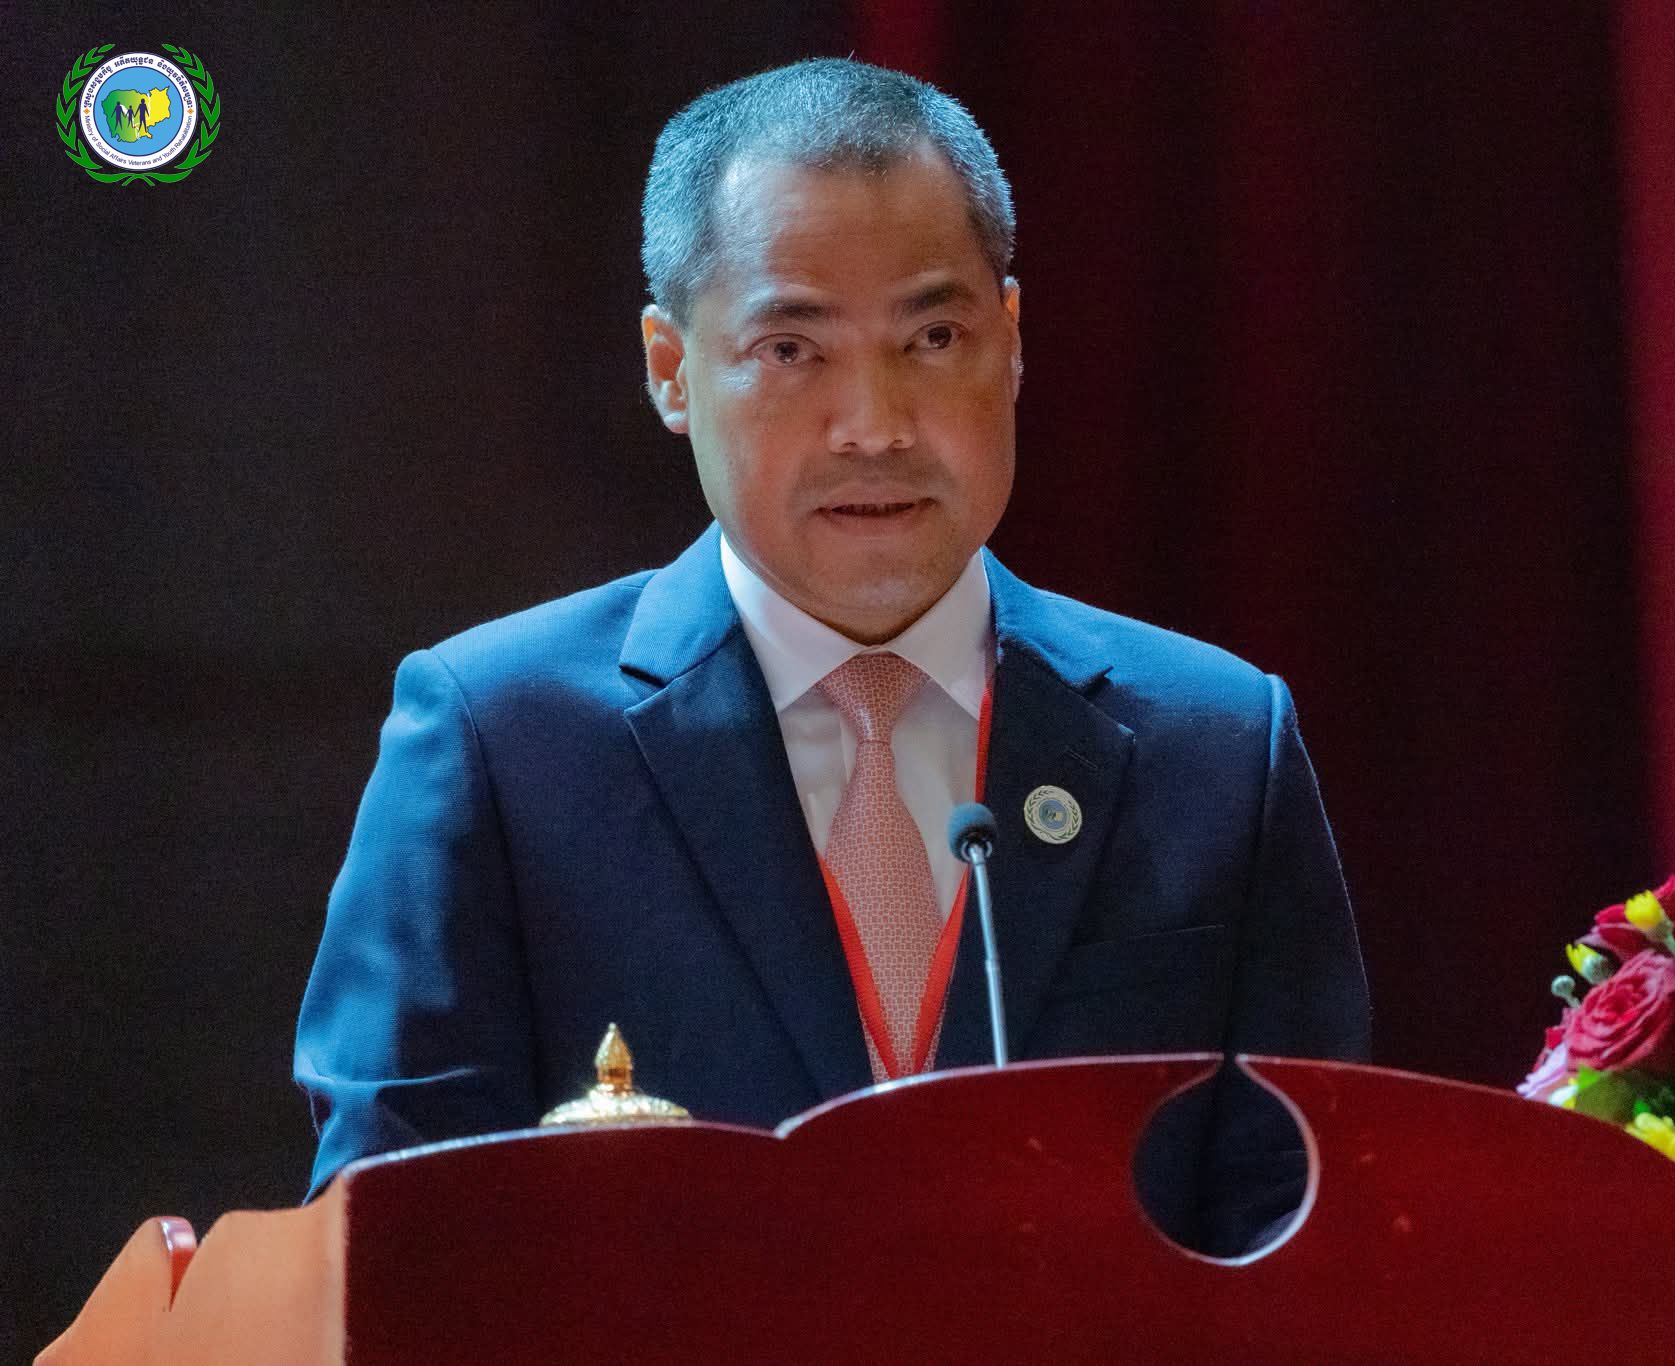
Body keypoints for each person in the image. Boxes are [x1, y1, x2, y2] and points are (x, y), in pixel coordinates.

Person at [293, 57, 1367, 1256]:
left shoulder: (1215, 747)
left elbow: (1301, 1233)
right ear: (670, 371)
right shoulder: (503, 743)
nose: (875, 426)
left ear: (1012, 343)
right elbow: (382, 1255)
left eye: (932, 335)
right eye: (791, 349)